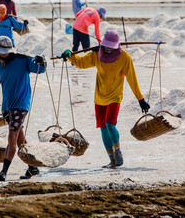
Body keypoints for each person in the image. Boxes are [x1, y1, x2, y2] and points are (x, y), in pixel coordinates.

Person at [60, 30, 150, 169]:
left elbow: (132, 79)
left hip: (115, 96)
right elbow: (82, 63)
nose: (108, 49)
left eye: (110, 46)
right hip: (100, 97)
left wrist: (140, 99)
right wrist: (70, 55)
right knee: (102, 128)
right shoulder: (97, 54)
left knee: (110, 123)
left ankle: (118, 153)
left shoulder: (124, 58)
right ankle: (111, 159)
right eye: (106, 46)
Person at [0, 36, 46, 181]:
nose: (3, 54)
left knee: (12, 137)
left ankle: (3, 171)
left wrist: (43, 62)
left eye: (5, 51)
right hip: (7, 106)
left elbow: (40, 70)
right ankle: (32, 167)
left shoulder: (23, 60)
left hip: (21, 104)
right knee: (20, 139)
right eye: (0, 51)